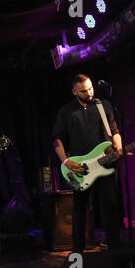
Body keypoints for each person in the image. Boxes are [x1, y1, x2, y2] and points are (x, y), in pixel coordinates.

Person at [52, 74, 123, 253]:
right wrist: (66, 161)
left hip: (105, 165)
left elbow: (114, 130)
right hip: (80, 168)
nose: (89, 93)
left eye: (90, 88)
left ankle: (115, 248)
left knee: (111, 206)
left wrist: (118, 145)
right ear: (74, 91)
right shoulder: (66, 111)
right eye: (84, 91)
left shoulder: (103, 105)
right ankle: (78, 250)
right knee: (79, 210)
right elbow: (57, 139)